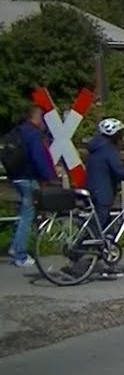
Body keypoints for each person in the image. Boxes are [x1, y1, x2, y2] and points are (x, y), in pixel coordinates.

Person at [83, 118, 124, 277]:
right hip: (103, 193)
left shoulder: (97, 148)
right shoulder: (108, 150)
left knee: (105, 230)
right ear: (114, 135)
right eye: (120, 134)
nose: (121, 138)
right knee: (96, 229)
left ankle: (106, 263)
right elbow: (119, 171)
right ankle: (77, 255)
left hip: (94, 189)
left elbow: (112, 172)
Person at [6, 105, 59, 268]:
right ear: (37, 118)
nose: (45, 123)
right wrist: (49, 176)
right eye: (43, 119)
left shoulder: (18, 131)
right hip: (28, 178)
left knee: (23, 212)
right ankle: (19, 254)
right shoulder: (33, 134)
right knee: (28, 215)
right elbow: (38, 157)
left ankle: (15, 246)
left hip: (16, 176)